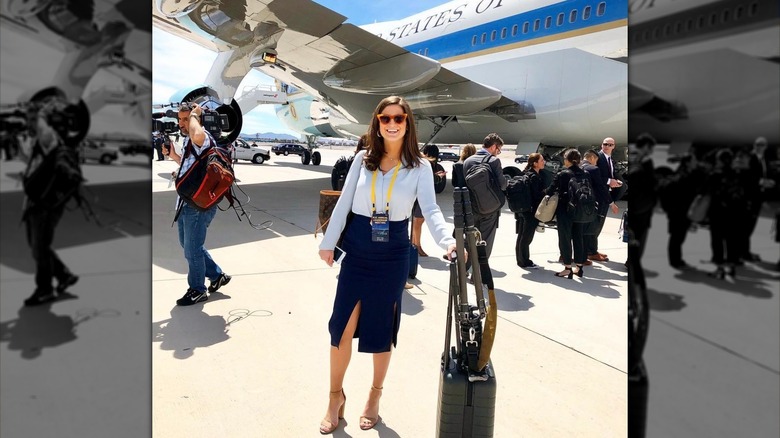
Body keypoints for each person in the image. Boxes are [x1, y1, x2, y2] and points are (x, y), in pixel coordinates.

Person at [317, 96, 457, 434]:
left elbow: (431, 209)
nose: (391, 123)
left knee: (382, 329)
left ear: (407, 123)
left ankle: (374, 397)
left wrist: (448, 241)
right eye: (385, 118)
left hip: (393, 252)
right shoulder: (361, 161)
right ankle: (335, 396)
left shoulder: (420, 167)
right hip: (359, 251)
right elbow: (344, 203)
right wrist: (328, 242)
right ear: (377, 123)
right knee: (341, 330)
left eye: (399, 118)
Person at [162, 102, 231, 306]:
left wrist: (194, 114)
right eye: (180, 120)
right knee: (189, 245)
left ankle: (197, 289)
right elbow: (190, 166)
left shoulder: (202, 137)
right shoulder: (190, 142)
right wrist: (173, 156)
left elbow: (198, 135)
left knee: (192, 249)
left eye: (186, 119)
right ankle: (217, 276)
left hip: (197, 206)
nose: (182, 123)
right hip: (187, 202)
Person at [19, 97, 82, 306]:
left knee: (39, 247)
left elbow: (47, 139)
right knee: (37, 245)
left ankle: (45, 289)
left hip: (45, 204)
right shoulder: (39, 138)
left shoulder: (47, 134)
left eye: (31, 116)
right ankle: (63, 275)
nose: (27, 120)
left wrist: (39, 114)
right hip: (36, 200)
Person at [544, 149, 590, 278]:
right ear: (579, 160)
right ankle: (579, 267)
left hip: (565, 210)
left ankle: (568, 267)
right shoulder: (585, 173)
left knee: (564, 238)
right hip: (580, 210)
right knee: (578, 238)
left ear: (566, 160)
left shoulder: (563, 174)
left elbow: (550, 190)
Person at [700, 148, 745, 279]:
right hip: (734, 213)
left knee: (717, 241)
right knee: (731, 241)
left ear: (720, 161)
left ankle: (719, 268)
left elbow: (704, 190)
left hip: (718, 213)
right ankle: (731, 267)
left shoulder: (715, 175)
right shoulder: (737, 174)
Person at [462, 133, 507, 263]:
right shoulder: (493, 161)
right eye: (499, 150)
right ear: (493, 147)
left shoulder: (468, 161)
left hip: (471, 207)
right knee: (485, 241)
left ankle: (463, 270)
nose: (498, 153)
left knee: (469, 239)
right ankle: (479, 274)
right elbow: (502, 185)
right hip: (490, 209)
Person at [625, 133, 657, 265]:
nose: (652, 151)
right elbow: (650, 184)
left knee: (632, 235)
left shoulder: (632, 157)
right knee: (638, 238)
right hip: (641, 208)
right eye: (651, 148)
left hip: (635, 206)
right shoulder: (644, 162)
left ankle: (630, 261)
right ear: (646, 146)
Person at [582, 149, 619, 262]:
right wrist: (611, 202)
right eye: (596, 160)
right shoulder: (593, 169)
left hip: (579, 202)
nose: (596, 163)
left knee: (582, 229)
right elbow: (601, 187)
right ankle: (588, 253)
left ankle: (591, 251)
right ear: (592, 158)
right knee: (592, 228)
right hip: (593, 203)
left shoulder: (577, 166)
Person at [411, 144, 447, 256]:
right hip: (421, 197)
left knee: (416, 222)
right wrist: (438, 177)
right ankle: (417, 246)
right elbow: (428, 179)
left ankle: (414, 244)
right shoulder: (427, 164)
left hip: (416, 197)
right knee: (418, 222)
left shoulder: (420, 162)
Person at [515, 153, 545, 269]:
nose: (544, 162)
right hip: (530, 211)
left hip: (523, 209)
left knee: (522, 236)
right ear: (535, 163)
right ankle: (525, 261)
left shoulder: (526, 174)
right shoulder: (534, 177)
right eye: (541, 160)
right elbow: (536, 195)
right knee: (526, 237)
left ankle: (521, 260)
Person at [597, 137, 626, 203]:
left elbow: (610, 174)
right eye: (605, 144)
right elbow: (593, 175)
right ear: (602, 145)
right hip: (599, 193)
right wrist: (609, 181)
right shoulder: (597, 157)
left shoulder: (610, 159)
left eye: (610, 145)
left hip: (607, 193)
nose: (607, 146)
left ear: (613, 146)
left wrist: (615, 181)